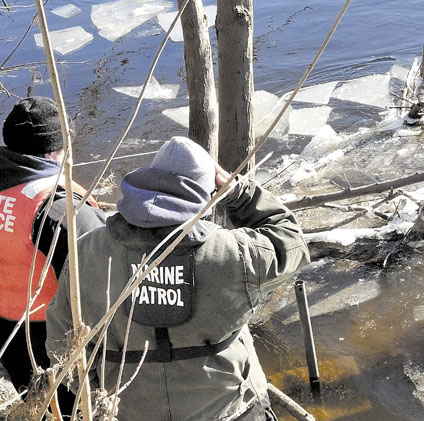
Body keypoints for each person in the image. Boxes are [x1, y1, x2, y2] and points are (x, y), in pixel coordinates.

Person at [46, 136, 310, 420]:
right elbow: (291, 242)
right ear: (209, 194)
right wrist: (239, 192)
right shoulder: (236, 253)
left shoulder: (89, 249)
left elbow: (61, 340)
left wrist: (96, 392)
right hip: (228, 408)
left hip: (127, 409)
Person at [0, 96, 106, 409]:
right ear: (58, 149)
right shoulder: (58, 208)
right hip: (53, 336)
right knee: (70, 407)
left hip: (8, 331)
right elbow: (103, 276)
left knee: (35, 401)